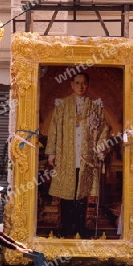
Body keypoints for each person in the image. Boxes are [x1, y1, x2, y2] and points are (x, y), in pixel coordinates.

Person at [45, 73, 109, 237]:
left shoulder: (95, 107)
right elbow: (53, 130)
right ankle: (66, 226)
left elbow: (103, 129)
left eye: (84, 84)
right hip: (66, 154)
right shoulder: (62, 106)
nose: (81, 87)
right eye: (77, 83)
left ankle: (81, 226)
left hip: (86, 156)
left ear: (88, 86)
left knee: (82, 193)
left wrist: (101, 148)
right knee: (67, 193)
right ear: (72, 85)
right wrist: (51, 152)